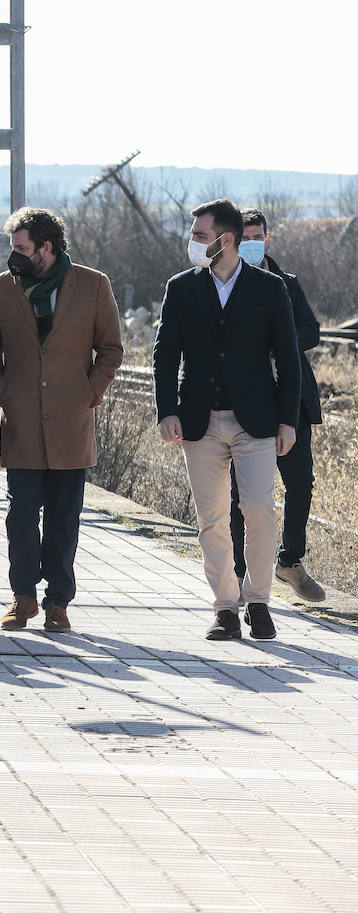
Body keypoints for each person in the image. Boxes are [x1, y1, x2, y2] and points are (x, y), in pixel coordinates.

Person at [153, 198, 300, 641]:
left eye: (200, 236)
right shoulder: (181, 287)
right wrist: (167, 410)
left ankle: (259, 602)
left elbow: (289, 357)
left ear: (227, 239)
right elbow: (165, 353)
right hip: (198, 421)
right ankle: (225, 607)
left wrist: (288, 420)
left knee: (259, 509)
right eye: (193, 235)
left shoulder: (269, 288)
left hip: (256, 420)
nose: (192, 242)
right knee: (212, 518)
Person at [0, 206, 123, 634]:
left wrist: (89, 393)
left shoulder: (93, 285)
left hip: (71, 425)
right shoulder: (2, 287)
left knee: (64, 518)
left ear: (47, 247)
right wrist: (1, 391)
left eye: (22, 248)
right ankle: (22, 597)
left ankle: (58, 602)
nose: (15, 256)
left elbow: (110, 350)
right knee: (20, 514)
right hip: (21, 423)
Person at [230, 207, 325, 603]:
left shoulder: (287, 283)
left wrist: (278, 343)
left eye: (258, 237)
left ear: (266, 239)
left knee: (300, 481)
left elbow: (311, 329)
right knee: (240, 494)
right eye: (246, 238)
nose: (252, 244)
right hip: (244, 404)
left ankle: (289, 560)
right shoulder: (226, 282)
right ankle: (238, 575)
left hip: (291, 400)